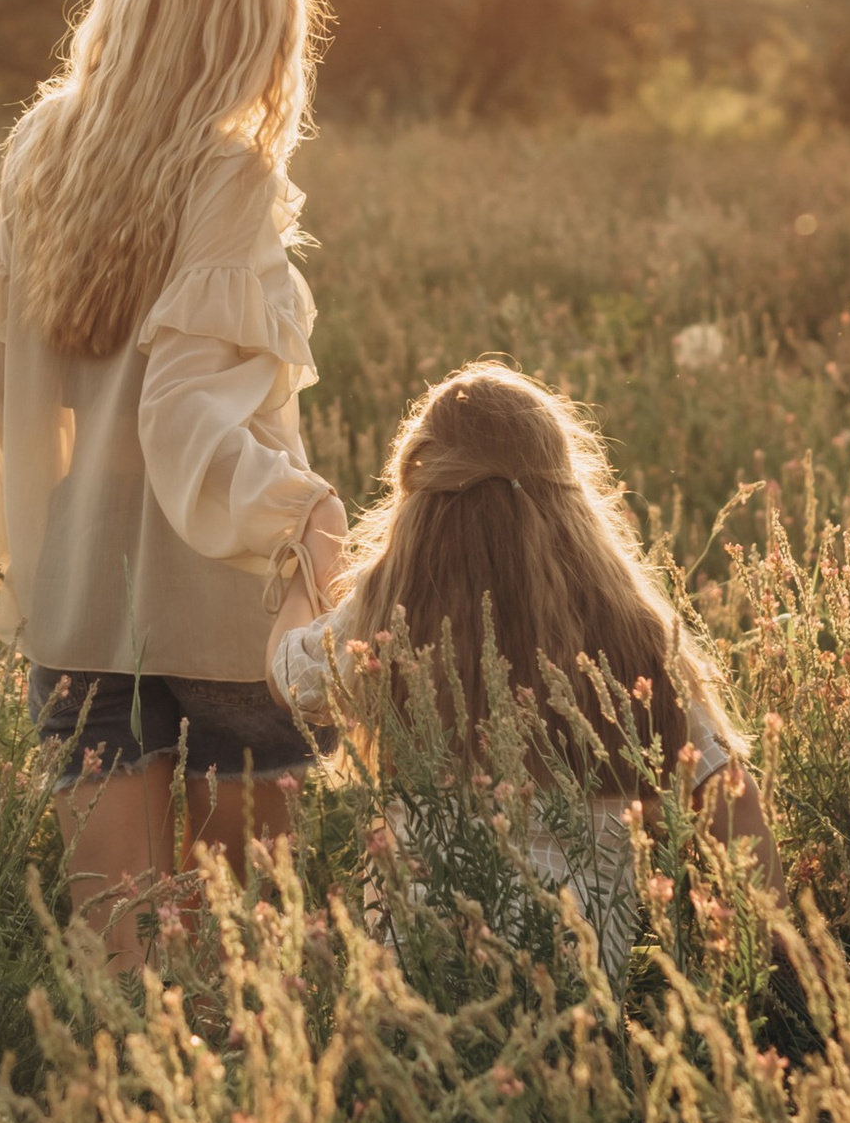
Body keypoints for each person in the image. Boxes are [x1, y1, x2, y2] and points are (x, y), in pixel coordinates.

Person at [0, 0, 349, 964]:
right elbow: (185, 416)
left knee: (126, 961)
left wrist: (51, 554)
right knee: (242, 969)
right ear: (260, 12)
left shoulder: (44, 147)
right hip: (226, 608)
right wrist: (306, 508)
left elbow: (11, 397)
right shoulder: (228, 175)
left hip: (79, 603)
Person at [265, 360, 780, 900]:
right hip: (579, 960)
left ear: (419, 499)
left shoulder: (392, 607)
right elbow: (728, 791)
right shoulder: (631, 627)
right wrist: (775, 947)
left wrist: (307, 571)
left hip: (423, 955)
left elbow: (288, 675)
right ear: (567, 492)